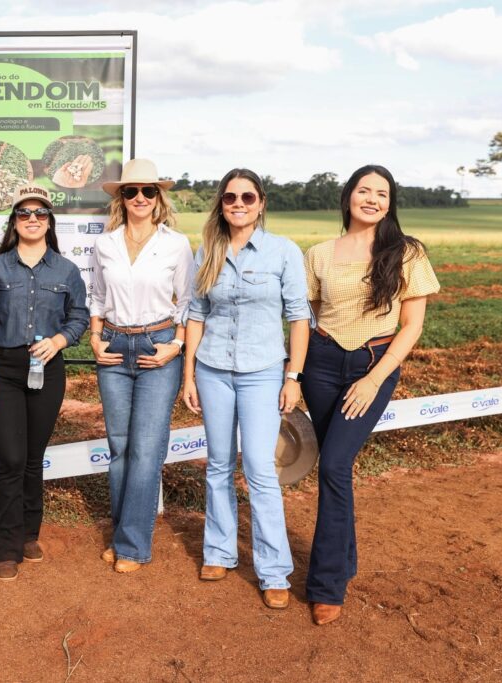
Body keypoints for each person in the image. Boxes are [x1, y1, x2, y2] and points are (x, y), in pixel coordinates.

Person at [302, 164, 440, 625]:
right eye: (365, 190)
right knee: (335, 470)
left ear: (390, 203)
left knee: (336, 466)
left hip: (372, 367)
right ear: (348, 198)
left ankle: (326, 585)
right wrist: (295, 371)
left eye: (382, 194)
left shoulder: (407, 252)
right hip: (321, 366)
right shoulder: (319, 253)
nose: (373, 199)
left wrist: (374, 378)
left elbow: (412, 325)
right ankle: (346, 562)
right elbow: (311, 315)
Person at [181, 168, 310, 609]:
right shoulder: (208, 250)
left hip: (262, 372)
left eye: (247, 197)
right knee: (217, 464)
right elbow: (196, 314)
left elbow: (299, 317)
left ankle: (273, 570)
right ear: (221, 203)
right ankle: (219, 552)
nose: (238, 204)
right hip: (213, 369)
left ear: (261, 203)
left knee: (259, 467)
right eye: (230, 197)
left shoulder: (283, 252)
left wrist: (293, 377)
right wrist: (188, 375)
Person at [0, 185, 89, 581]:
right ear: (15, 221)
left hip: (47, 368)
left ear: (50, 221)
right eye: (25, 213)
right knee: (13, 458)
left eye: (41, 213)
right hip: (4, 369)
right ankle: (4, 546)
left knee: (34, 458)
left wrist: (59, 340)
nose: (33, 219)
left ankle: (27, 532)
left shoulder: (66, 270)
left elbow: (80, 317)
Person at [90, 158, 195, 573]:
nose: (139, 198)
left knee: (146, 451)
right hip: (114, 347)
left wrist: (178, 344)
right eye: (130, 191)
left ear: (158, 197)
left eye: (147, 191)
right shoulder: (105, 244)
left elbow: (188, 302)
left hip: (158, 347)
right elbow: (96, 296)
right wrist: (96, 339)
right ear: (121, 197)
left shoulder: (176, 244)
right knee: (120, 449)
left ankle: (132, 545)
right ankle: (122, 534)